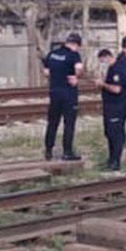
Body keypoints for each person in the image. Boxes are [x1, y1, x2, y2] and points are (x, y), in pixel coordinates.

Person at [43, 32, 84, 161]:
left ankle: (49, 150)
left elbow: (46, 72)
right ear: (75, 44)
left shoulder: (52, 53)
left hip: (54, 92)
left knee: (53, 122)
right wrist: (76, 77)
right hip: (68, 93)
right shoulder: (74, 55)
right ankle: (67, 151)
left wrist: (57, 77)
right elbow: (79, 70)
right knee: (69, 123)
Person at [95, 48, 126, 171]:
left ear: (107, 57)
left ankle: (116, 161)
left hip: (117, 106)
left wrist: (102, 84)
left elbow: (117, 89)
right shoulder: (111, 69)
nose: (102, 64)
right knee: (109, 133)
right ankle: (111, 159)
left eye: (102, 61)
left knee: (116, 134)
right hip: (109, 105)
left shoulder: (117, 69)